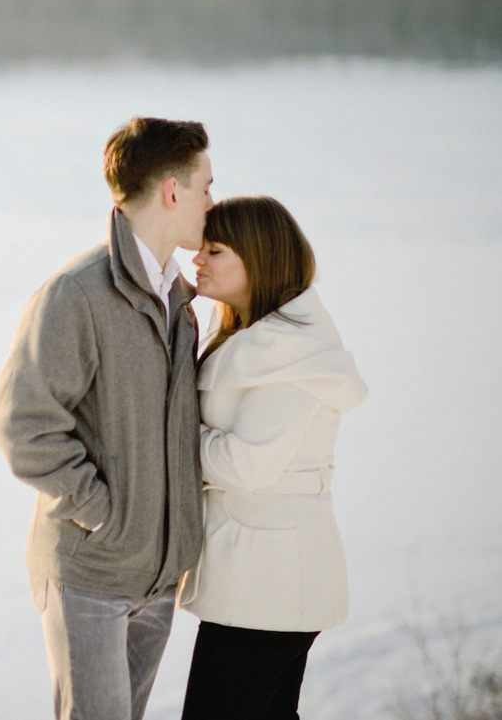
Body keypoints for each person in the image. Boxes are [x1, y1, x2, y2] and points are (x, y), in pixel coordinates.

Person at [0, 116, 213, 720]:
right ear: (172, 191)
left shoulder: (181, 303)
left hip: (157, 578)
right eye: (205, 187)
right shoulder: (76, 293)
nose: (211, 203)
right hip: (90, 574)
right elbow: (23, 426)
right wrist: (100, 511)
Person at [177, 195, 367, 720]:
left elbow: (245, 464)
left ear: (259, 258)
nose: (197, 261)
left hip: (273, 582)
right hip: (258, 578)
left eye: (214, 251)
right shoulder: (251, 335)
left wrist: (167, 435)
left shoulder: (288, 352)